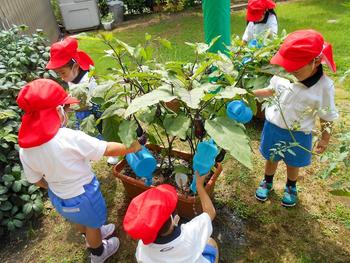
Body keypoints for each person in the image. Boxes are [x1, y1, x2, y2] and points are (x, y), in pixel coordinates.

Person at [17, 79, 142, 263]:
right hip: (84, 196)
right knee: (92, 224)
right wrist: (132, 147)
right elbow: (106, 149)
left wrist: (54, 187)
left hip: (59, 198)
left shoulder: (25, 149)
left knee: (78, 219)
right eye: (66, 109)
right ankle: (98, 252)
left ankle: (91, 230)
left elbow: (36, 180)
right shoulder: (69, 137)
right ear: (58, 111)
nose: (68, 112)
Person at [253, 29, 339, 207]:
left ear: (315, 62)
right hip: (273, 127)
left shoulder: (324, 87)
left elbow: (327, 115)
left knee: (293, 163)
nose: (290, 71)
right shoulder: (284, 73)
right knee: (271, 158)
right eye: (287, 67)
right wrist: (249, 93)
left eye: (296, 69)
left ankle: (291, 187)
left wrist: (325, 137)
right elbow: (271, 90)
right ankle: (267, 181)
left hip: (298, 134)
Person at [46, 36, 119, 165]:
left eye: (63, 73)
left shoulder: (86, 81)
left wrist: (67, 107)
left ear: (75, 67)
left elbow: (85, 104)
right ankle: (90, 151)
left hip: (92, 111)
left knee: (102, 132)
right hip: (81, 111)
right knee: (86, 135)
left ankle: (113, 152)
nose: (62, 78)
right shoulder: (73, 76)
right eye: (59, 74)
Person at [123, 172, 219, 263]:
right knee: (211, 242)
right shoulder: (190, 232)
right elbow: (210, 213)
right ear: (175, 218)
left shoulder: (142, 252)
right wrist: (199, 186)